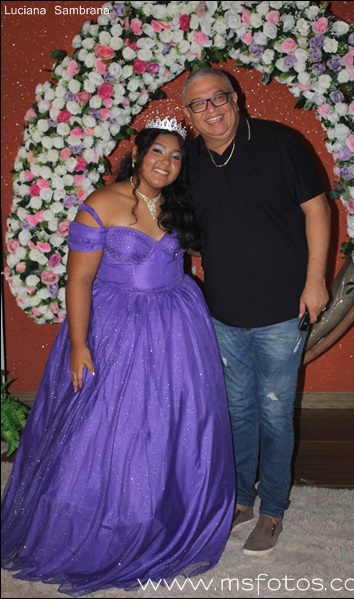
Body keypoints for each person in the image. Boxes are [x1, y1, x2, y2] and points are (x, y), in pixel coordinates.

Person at [1, 118, 235, 595]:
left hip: (176, 325)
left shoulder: (176, 204)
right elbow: (79, 279)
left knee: (172, 420)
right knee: (106, 424)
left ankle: (164, 512)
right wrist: (79, 343)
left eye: (175, 157)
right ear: (137, 154)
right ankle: (98, 521)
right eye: (158, 152)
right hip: (116, 327)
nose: (166, 163)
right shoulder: (102, 202)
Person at [182, 68, 331, 556]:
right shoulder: (189, 162)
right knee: (237, 411)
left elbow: (318, 209)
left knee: (274, 411)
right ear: (189, 114)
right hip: (223, 310)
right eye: (199, 104)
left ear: (236, 98)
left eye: (217, 98)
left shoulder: (279, 142)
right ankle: (242, 500)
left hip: (282, 308)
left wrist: (315, 281)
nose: (210, 110)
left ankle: (274, 510)